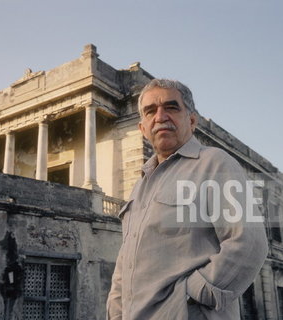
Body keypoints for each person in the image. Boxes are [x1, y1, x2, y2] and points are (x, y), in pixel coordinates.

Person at [106, 79, 268, 319]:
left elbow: (249, 242)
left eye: (171, 108)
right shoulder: (139, 187)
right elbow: (125, 264)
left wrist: (192, 296)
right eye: (150, 111)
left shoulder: (214, 163)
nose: (160, 117)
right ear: (142, 128)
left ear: (191, 121)